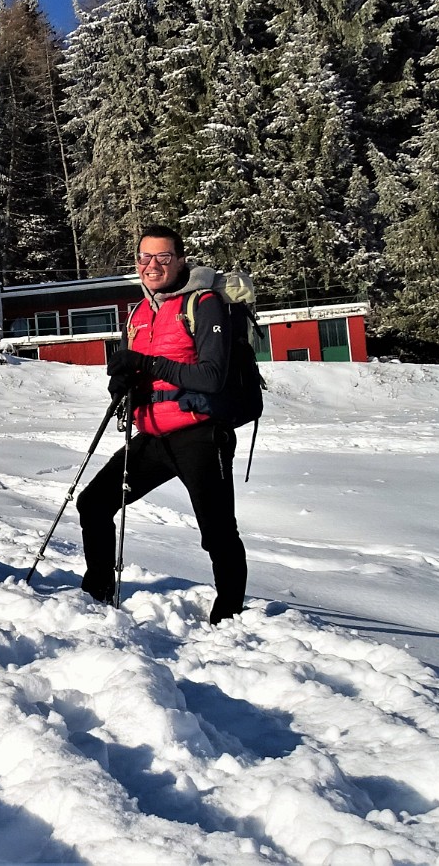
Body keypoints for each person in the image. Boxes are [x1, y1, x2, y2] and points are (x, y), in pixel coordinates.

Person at [76, 224, 247, 624]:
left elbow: (211, 376)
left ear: (181, 259)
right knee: (94, 503)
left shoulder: (203, 303)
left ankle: (231, 611)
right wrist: (121, 380)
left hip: (200, 434)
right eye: (145, 258)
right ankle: (97, 591)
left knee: (216, 529)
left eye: (163, 257)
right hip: (152, 434)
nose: (152, 266)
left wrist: (146, 364)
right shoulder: (140, 311)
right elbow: (138, 370)